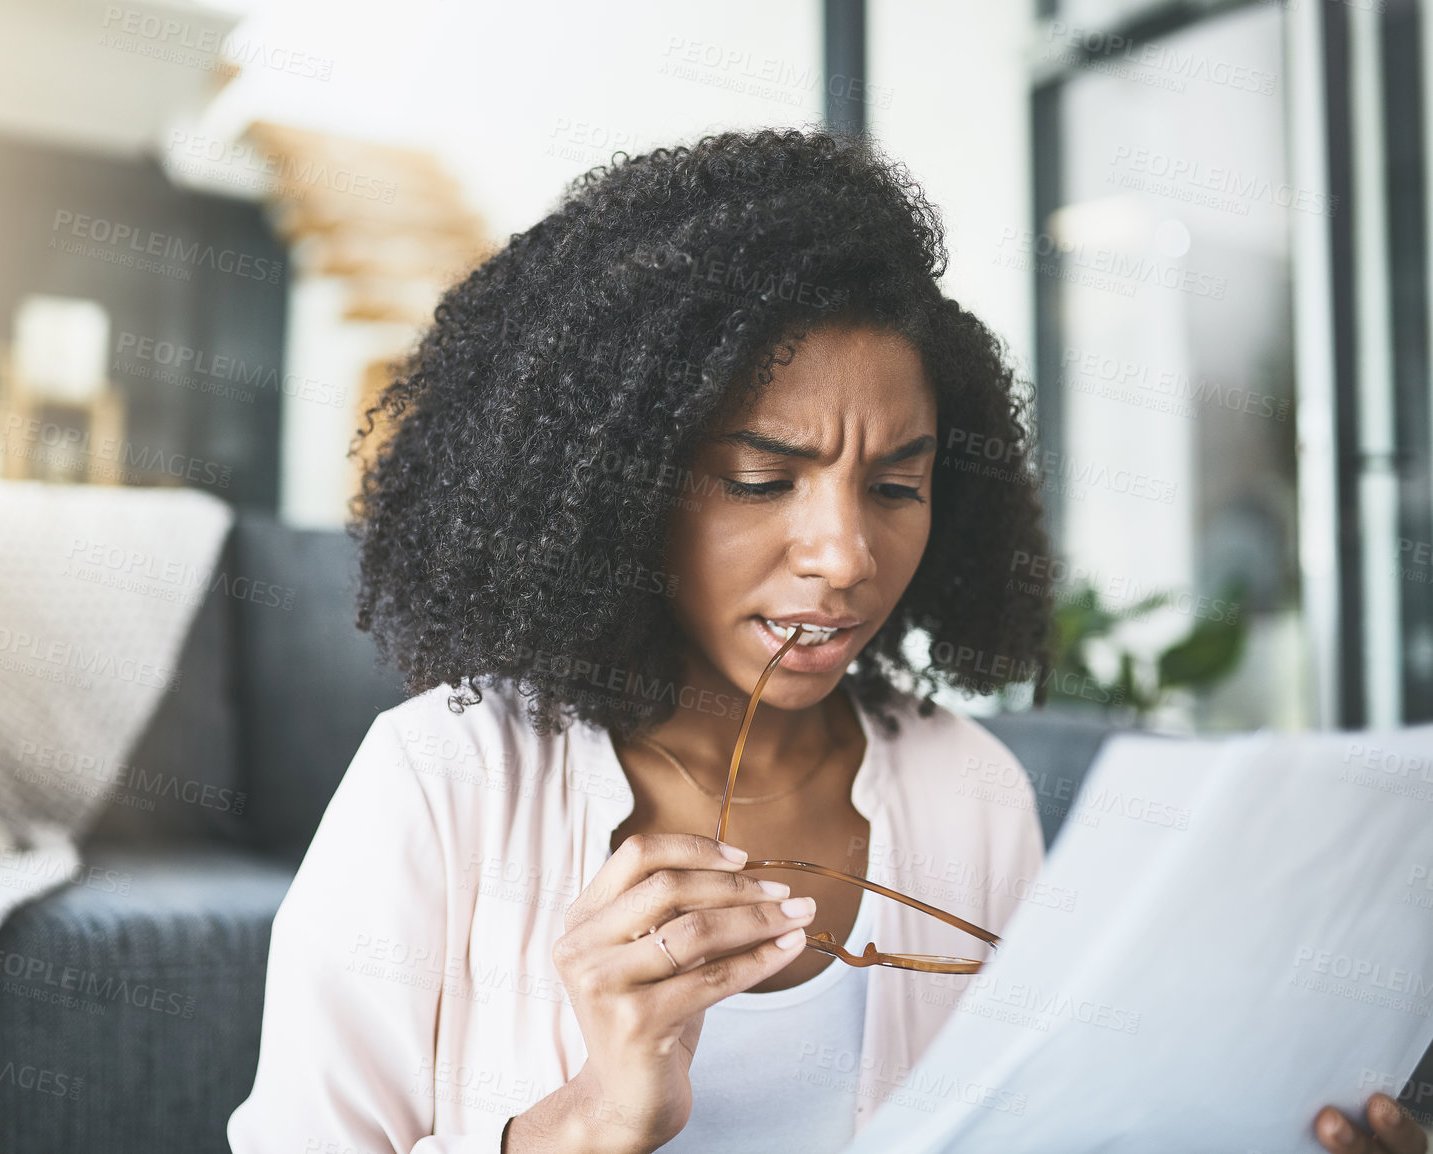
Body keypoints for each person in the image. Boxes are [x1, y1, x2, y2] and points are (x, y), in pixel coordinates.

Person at [226, 128, 1425, 1154]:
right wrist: (587, 1119)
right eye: (762, 479)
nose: (845, 555)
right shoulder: (444, 780)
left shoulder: (966, 792)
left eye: (896, 487)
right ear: (615, 488)